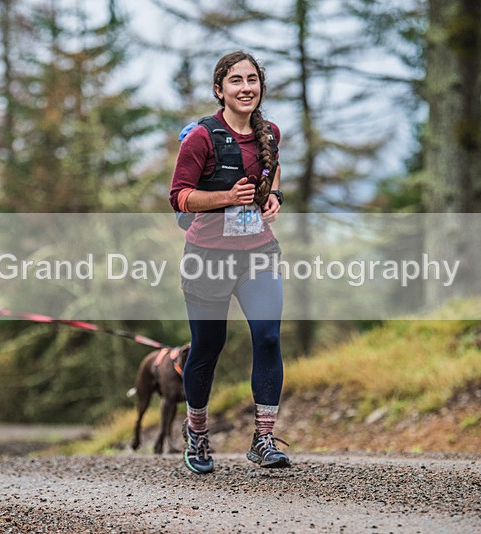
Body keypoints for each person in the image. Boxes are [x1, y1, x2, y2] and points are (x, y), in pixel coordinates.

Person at [169, 50, 290, 474]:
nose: (246, 88)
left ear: (261, 86)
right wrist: (226, 198)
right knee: (207, 347)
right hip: (208, 258)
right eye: (235, 81)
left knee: (269, 338)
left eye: (252, 80)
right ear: (220, 89)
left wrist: (272, 198)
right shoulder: (201, 137)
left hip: (258, 253)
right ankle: (197, 433)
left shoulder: (270, 133)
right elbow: (179, 197)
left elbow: (272, 177)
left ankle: (263, 437)